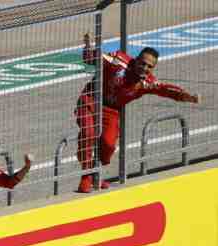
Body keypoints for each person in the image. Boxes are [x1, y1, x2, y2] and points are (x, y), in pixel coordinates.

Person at [75, 34, 199, 193]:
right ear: (136, 60)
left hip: (111, 111)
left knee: (108, 144)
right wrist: (88, 47)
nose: (145, 68)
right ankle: (86, 177)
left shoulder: (147, 82)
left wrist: (185, 96)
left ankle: (94, 173)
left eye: (149, 66)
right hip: (90, 100)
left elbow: (165, 89)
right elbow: (92, 58)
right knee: (88, 133)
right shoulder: (119, 60)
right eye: (142, 63)